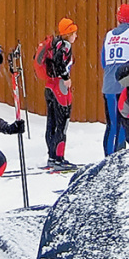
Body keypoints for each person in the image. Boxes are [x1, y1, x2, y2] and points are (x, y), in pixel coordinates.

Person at [100, 4, 129, 155]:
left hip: (109, 86)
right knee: (125, 124)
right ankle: (119, 157)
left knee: (112, 125)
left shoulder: (109, 35)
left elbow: (103, 61)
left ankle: (108, 159)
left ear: (118, 18)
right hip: (127, 86)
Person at [44, 17, 78, 168]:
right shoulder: (65, 46)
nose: (76, 36)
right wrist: (65, 77)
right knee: (62, 123)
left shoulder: (54, 43)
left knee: (51, 122)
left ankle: (51, 156)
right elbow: (59, 62)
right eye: (74, 33)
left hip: (49, 86)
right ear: (69, 33)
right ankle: (59, 158)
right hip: (60, 88)